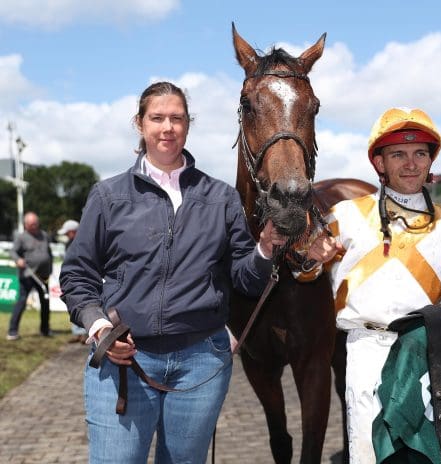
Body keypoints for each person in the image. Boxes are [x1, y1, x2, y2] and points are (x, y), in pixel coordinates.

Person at [59, 81, 287, 464]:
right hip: (124, 360)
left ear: (187, 125)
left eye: (177, 118)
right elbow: (77, 276)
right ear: (140, 124)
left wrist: (265, 248)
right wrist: (99, 327)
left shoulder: (221, 198)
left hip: (201, 362)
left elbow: (246, 279)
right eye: (158, 117)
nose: (168, 127)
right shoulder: (108, 196)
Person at [298, 107, 441, 463]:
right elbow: (303, 273)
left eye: (419, 154)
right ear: (379, 163)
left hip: (432, 354)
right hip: (367, 350)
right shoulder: (344, 217)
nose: (410, 164)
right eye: (398, 154)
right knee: (367, 455)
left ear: (430, 162)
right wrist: (311, 256)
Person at [7, 211, 52, 340]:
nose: (35, 226)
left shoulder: (44, 235)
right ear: (26, 225)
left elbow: (48, 253)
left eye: (36, 223)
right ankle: (12, 331)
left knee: (45, 302)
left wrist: (50, 268)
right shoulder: (21, 237)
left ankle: (45, 330)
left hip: (43, 276)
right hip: (28, 275)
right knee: (21, 301)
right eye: (32, 224)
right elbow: (13, 251)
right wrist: (18, 260)